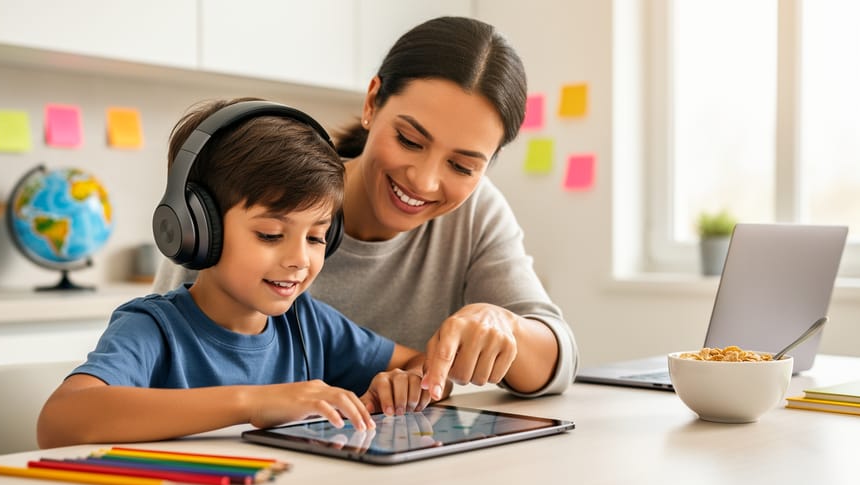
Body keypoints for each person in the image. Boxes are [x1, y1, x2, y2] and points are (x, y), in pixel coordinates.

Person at [152, 16, 578, 402]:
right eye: (410, 140)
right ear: (372, 102)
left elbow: (559, 359)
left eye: (462, 165)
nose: (425, 181)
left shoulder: (475, 212)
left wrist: (507, 328)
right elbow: (157, 374)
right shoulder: (268, 198)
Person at [37, 98, 432, 448]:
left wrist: (403, 383)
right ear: (199, 229)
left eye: (315, 237)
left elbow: (419, 364)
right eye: (270, 234)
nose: (299, 259)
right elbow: (60, 421)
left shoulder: (308, 324)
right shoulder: (153, 328)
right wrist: (254, 401)